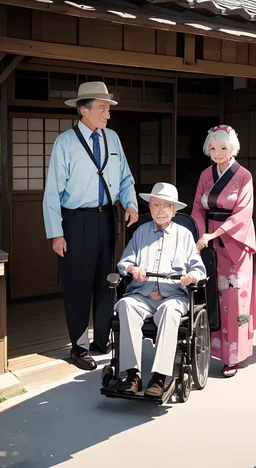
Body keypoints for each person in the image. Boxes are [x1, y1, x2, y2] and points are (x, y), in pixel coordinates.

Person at [43, 81, 139, 371]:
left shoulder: (113, 138)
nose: (107, 114)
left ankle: (102, 340)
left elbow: (125, 177)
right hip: (77, 221)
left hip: (108, 218)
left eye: (108, 109)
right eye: (101, 108)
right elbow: (52, 191)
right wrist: (56, 232)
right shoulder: (65, 142)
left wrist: (131, 202)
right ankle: (79, 346)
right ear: (83, 110)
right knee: (78, 285)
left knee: (106, 282)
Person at [115, 183, 206, 397]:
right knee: (126, 305)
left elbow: (198, 267)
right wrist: (132, 268)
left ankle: (159, 376)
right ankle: (132, 374)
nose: (161, 210)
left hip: (173, 295)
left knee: (169, 311)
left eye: (166, 205)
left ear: (174, 210)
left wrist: (191, 276)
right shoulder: (140, 232)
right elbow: (124, 262)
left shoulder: (184, 235)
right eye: (156, 205)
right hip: (142, 294)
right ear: (150, 207)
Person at [191, 125, 256, 378]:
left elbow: (242, 214)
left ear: (233, 149)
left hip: (233, 243)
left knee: (233, 299)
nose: (217, 153)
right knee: (210, 297)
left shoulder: (244, 176)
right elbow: (198, 206)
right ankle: (211, 348)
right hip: (208, 240)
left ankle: (234, 356)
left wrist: (214, 234)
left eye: (223, 148)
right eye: (213, 148)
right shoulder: (205, 174)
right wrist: (200, 234)